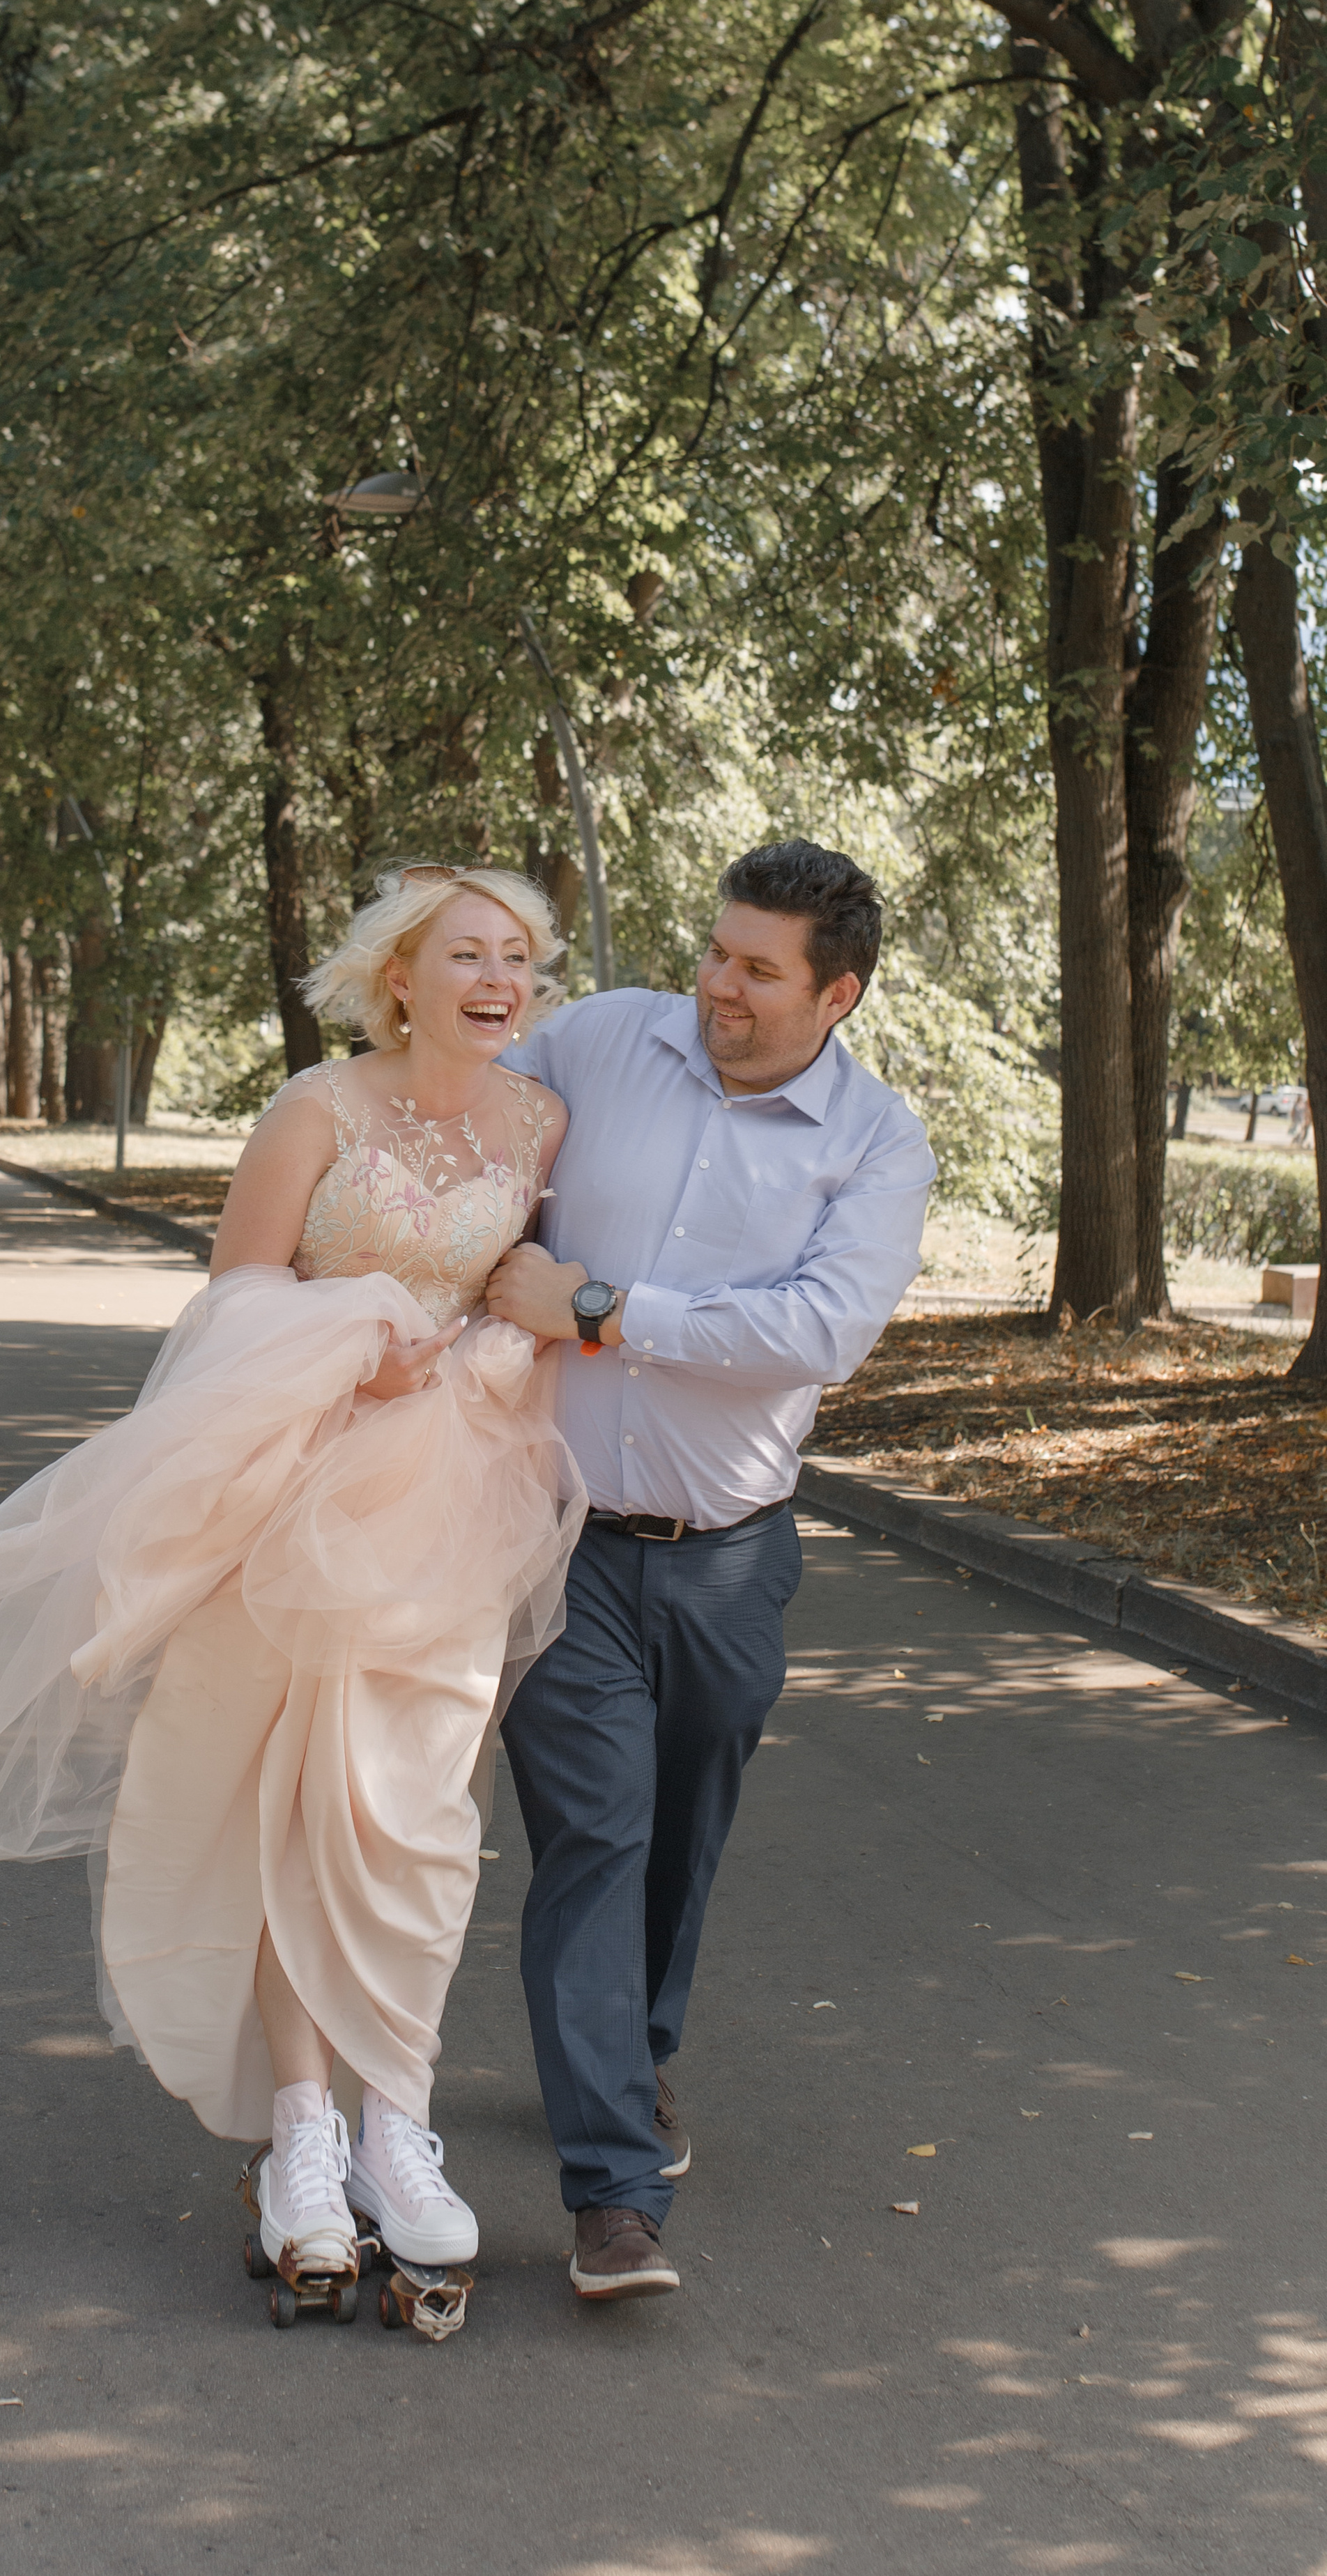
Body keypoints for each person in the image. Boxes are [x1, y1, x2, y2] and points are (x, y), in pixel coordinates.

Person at [0, 865, 581, 2287]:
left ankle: (397, 2123)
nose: (497, 978)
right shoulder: (316, 1108)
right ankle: (303, 2132)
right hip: (287, 1494)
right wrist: (358, 1340)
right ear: (399, 977)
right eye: (466, 953)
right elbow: (234, 1298)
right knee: (286, 1807)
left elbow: (514, 1294)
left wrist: (506, 1334)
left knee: (415, 1820)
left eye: (517, 957)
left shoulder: (539, 1122)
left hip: (449, 1508)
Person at [486, 839, 935, 2301]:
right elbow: (468, 1124)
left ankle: (635, 2050)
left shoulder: (875, 1145)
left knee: (681, 1836)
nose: (716, 985)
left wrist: (601, 1308)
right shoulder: (602, 1039)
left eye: (756, 969)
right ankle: (614, 2194)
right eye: (714, 950)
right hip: (557, 1536)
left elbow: (815, 1332)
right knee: (595, 1840)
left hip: (732, 1561)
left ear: (835, 994)